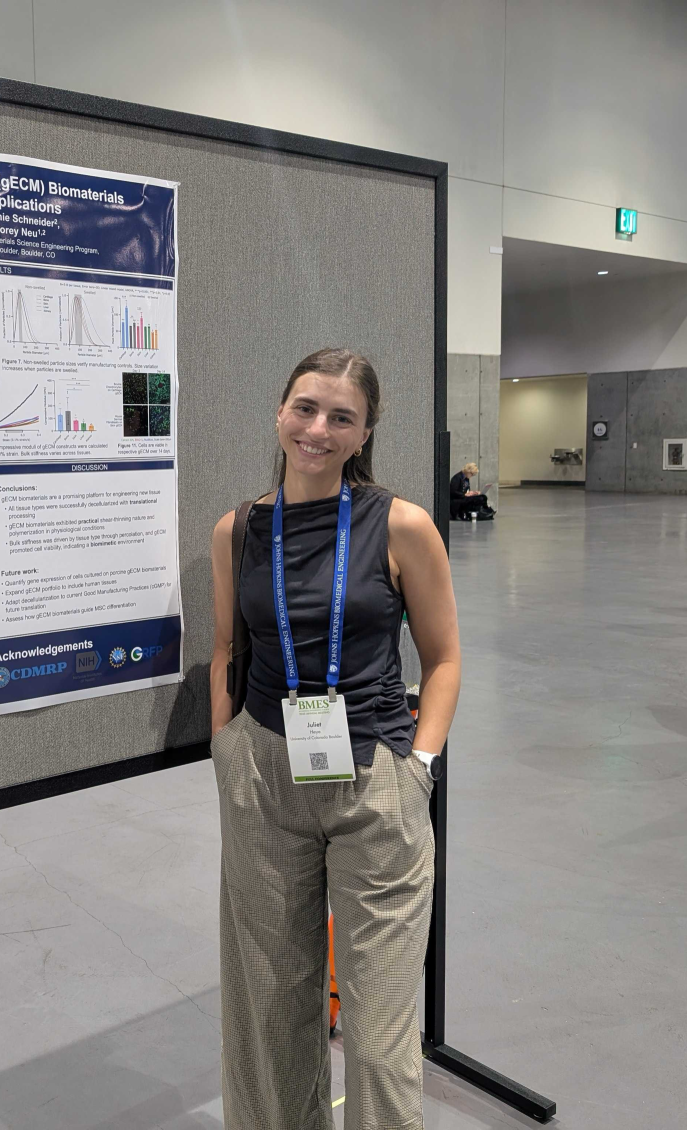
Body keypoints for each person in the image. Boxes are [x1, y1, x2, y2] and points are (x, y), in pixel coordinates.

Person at [208, 348, 461, 1129]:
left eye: (340, 417)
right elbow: (226, 647)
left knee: (380, 1031)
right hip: (263, 776)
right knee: (272, 1005)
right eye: (305, 408)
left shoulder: (403, 524)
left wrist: (419, 764)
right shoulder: (239, 527)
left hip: (373, 778)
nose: (317, 429)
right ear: (280, 412)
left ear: (364, 433)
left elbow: (445, 657)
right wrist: (227, 750)